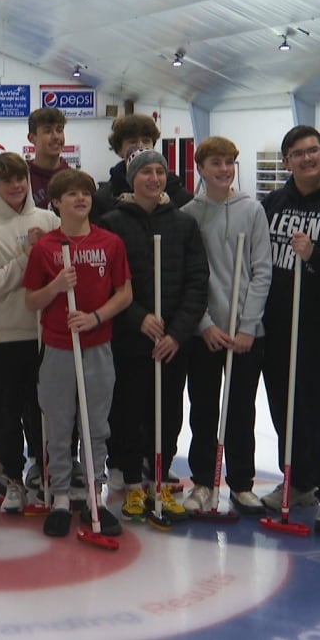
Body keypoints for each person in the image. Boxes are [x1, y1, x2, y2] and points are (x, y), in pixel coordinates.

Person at [100, 148, 207, 524]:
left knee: (168, 412)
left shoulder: (183, 223)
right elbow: (107, 285)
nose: (154, 178)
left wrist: (177, 333)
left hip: (172, 342)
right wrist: (137, 318)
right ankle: (131, 483)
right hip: (130, 341)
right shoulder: (113, 223)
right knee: (128, 412)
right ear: (133, 180)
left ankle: (160, 480)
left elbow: (197, 282)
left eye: (160, 172)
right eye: (146, 172)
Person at [23, 169, 132, 538]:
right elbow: (31, 300)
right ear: (55, 202)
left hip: (97, 346)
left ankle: (93, 496)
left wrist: (95, 317)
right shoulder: (45, 248)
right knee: (59, 424)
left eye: (84, 193)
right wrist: (55, 286)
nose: (80, 199)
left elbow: (125, 293)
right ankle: (59, 499)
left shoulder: (111, 243)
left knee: (96, 425)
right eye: (70, 194)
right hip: (57, 348)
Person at [259, 125, 320, 533]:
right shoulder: (273, 203)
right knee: (285, 407)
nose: (307, 158)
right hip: (278, 322)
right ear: (286, 161)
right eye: (297, 153)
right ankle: (298, 481)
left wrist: (315, 255)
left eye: (313, 151)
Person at [180, 136, 271, 515]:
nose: (223, 169)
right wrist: (203, 325)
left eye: (229, 162)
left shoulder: (252, 210)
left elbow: (262, 270)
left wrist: (248, 325)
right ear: (200, 169)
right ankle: (203, 481)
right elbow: (187, 277)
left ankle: (241, 483)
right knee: (203, 409)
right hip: (205, 333)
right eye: (215, 163)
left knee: (241, 410)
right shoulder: (188, 214)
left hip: (245, 334)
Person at [0, 152, 60, 513]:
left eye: (21, 178)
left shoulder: (50, 220)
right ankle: (12, 479)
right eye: (7, 180)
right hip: (6, 335)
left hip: (47, 333)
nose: (16, 185)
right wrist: (26, 258)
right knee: (7, 410)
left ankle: (46, 471)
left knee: (45, 409)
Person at [93, 114, 193, 223]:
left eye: (146, 141)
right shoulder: (104, 200)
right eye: (132, 141)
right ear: (119, 150)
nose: (140, 146)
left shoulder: (180, 196)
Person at [26, 107, 70, 210]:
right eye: (48, 131)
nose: (56, 137)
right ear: (32, 138)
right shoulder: (22, 177)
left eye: (59, 130)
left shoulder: (73, 179)